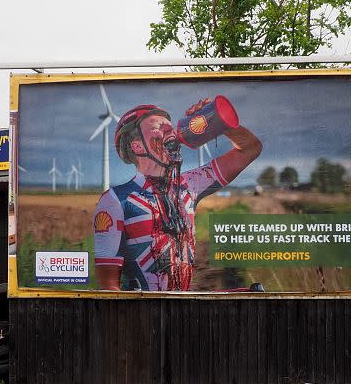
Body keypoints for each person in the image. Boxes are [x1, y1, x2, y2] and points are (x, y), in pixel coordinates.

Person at [92, 99, 262, 291]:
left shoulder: (189, 184)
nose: (169, 130)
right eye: (158, 126)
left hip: (183, 311)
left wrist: (216, 122)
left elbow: (250, 148)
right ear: (138, 147)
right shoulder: (115, 200)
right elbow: (108, 288)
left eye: (169, 126)